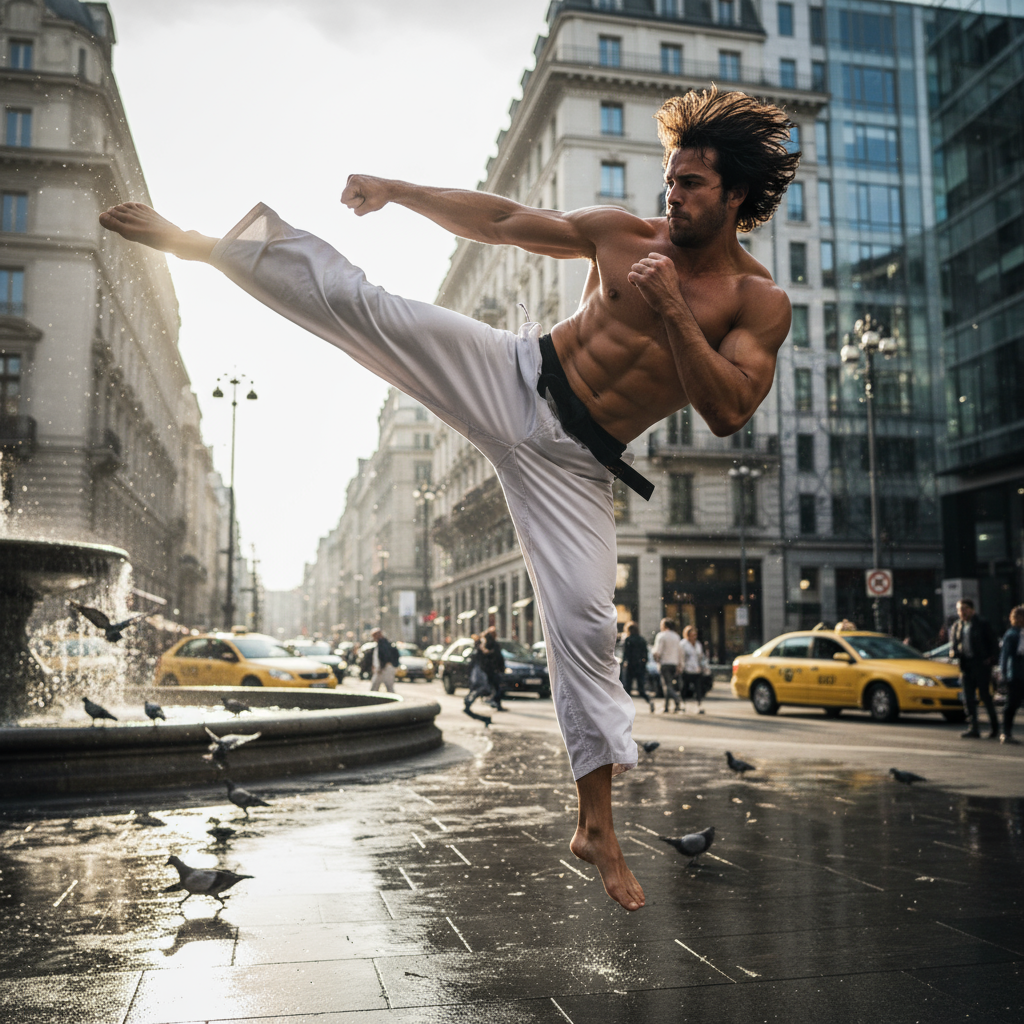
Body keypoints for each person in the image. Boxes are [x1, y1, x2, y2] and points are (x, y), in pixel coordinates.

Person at [98, 86, 797, 913]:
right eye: (670, 180)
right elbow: (501, 222)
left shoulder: (759, 304)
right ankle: (203, 244)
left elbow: (725, 411)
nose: (670, 197)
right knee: (370, 310)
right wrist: (399, 190)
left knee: (583, 626)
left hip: (575, 464)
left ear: (737, 197)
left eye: (689, 186)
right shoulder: (620, 233)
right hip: (514, 375)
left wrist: (676, 310)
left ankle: (595, 825)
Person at [950, 599, 999, 739]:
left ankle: (994, 727)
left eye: (965, 609)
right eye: (960, 609)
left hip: (981, 665)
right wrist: (954, 652)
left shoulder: (982, 623)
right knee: (968, 698)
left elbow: (993, 643)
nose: (962, 612)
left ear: (972, 609)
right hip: (966, 665)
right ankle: (973, 728)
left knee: (985, 697)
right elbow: (954, 644)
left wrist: (990, 660)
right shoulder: (958, 626)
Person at [997, 605, 1024, 745]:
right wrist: (1004, 675)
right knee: (1012, 704)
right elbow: (1005, 656)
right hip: (1015, 674)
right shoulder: (1012, 634)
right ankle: (1005, 732)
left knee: (1015, 703)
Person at [652, 618, 683, 714]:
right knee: (669, 685)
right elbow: (680, 652)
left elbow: (658, 651)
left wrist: (655, 657)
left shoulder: (661, 636)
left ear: (664, 626)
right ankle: (667, 706)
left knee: (667, 685)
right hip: (674, 663)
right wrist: (679, 664)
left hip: (664, 663)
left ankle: (677, 699)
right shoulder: (677, 636)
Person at [621, 622, 652, 709]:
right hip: (640, 667)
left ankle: (625, 707)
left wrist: (624, 663)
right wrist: (643, 664)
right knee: (641, 689)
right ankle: (649, 701)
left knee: (627, 688)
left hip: (630, 666)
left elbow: (625, 654)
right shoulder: (642, 639)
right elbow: (645, 654)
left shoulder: (628, 639)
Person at [679, 625, 709, 713]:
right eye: (692, 635)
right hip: (686, 669)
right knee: (684, 687)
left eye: (695, 635)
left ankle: (699, 705)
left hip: (696, 669)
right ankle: (683, 704)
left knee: (698, 688)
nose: (694, 637)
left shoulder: (698, 644)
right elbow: (681, 657)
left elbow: (701, 657)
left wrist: (703, 667)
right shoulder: (683, 644)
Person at [481, 627, 507, 711]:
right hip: (495, 669)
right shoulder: (494, 645)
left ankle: (494, 702)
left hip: (489, 670)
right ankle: (494, 702)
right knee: (498, 688)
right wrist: (501, 668)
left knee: (494, 687)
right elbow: (499, 658)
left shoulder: (485, 645)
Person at [368, 627, 400, 693]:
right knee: (375, 687)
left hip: (384, 668)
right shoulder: (381, 643)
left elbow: (386, 655)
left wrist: (382, 666)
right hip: (381, 668)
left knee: (387, 687)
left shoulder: (384, 644)